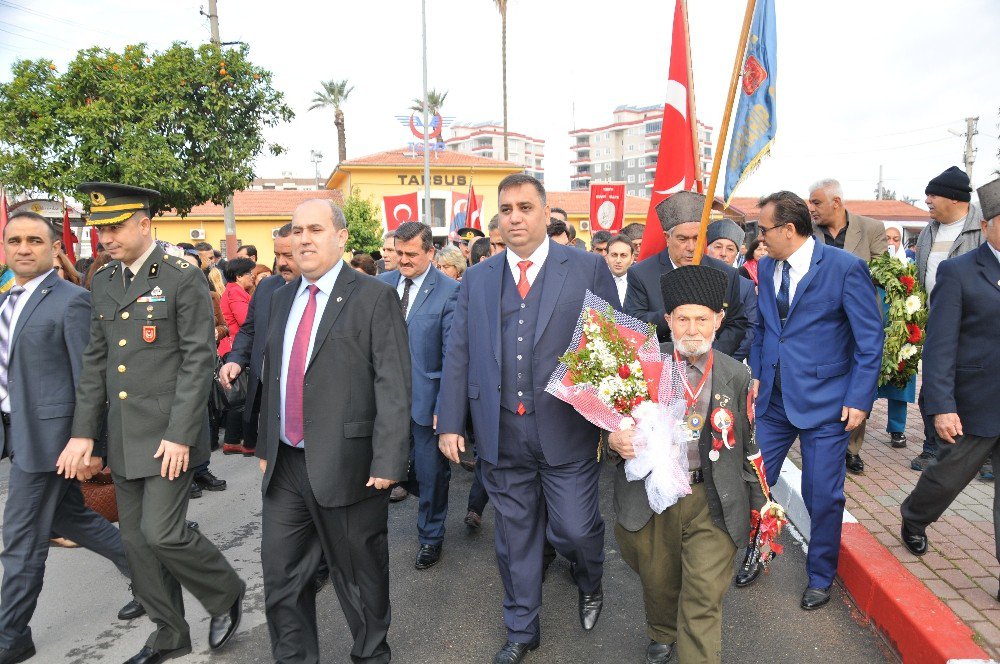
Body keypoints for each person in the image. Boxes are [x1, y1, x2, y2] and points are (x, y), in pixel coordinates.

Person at [59, 183, 246, 664]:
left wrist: (181, 435)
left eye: (116, 227)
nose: (105, 238)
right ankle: (169, 634)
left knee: (163, 533)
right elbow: (96, 363)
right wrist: (85, 433)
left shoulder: (183, 276)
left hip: (169, 434)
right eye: (100, 229)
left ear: (144, 224)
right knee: (137, 542)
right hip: (124, 433)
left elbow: (196, 360)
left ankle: (225, 593)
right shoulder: (103, 280)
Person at [438, 174, 618, 664]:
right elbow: (460, 352)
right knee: (514, 536)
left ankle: (590, 578)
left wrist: (619, 418)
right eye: (506, 208)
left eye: (524, 207)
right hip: (501, 433)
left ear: (545, 213)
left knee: (575, 530)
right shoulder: (478, 277)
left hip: (567, 429)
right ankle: (522, 628)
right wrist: (450, 421)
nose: (514, 217)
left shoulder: (586, 268)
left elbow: (615, 346)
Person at [253, 199, 410, 664]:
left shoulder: (373, 296)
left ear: (340, 237)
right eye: (297, 230)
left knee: (358, 577)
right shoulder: (281, 297)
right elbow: (275, 374)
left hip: (351, 463)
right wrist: (265, 443)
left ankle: (370, 654)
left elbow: (394, 383)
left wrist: (388, 460)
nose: (303, 239)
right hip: (286, 463)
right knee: (281, 577)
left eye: (315, 229)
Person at [0, 211, 142, 664]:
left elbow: (92, 379)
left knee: (20, 540)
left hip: (54, 443)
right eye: (14, 240)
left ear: (53, 247)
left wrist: (93, 445)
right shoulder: (7, 300)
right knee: (70, 518)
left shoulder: (70, 301)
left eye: (34, 241)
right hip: (18, 432)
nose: (23, 248)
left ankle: (11, 635)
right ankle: (149, 574)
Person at [609, 265, 766, 664]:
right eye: (682, 318)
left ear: (718, 320)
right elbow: (606, 423)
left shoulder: (736, 375)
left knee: (702, 598)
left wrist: (758, 509)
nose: (692, 328)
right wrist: (613, 439)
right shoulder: (641, 366)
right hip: (653, 497)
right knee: (659, 580)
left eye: (701, 318)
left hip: (712, 499)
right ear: (668, 321)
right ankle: (662, 630)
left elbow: (749, 449)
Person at [749, 191, 883, 609]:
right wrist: (755, 375)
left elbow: (869, 339)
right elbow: (764, 330)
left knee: (822, 494)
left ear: (789, 229)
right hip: (773, 400)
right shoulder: (767, 266)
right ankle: (757, 553)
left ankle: (821, 575)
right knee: (753, 484)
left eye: (764, 228)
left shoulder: (845, 268)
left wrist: (860, 399)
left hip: (828, 404)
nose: (759, 236)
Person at [899, 177, 1000, 578]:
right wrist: (941, 405)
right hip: (974, 401)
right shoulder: (960, 271)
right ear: (988, 224)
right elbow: (940, 345)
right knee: (946, 478)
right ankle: (914, 516)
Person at [378, 221, 458, 570]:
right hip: (383, 403)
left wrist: (447, 407)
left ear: (430, 252)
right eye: (398, 253)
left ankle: (430, 537)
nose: (403, 260)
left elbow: (453, 355)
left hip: (428, 403)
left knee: (430, 474)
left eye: (411, 254)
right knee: (380, 472)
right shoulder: (380, 286)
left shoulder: (449, 291)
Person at [807, 178, 888, 476]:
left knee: (858, 379)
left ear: (836, 203)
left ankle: (852, 449)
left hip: (858, 317)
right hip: (821, 321)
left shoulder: (870, 228)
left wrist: (848, 275)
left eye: (816, 202)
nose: (811, 208)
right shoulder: (809, 232)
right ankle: (823, 440)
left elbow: (883, 270)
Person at [911, 166, 984, 472]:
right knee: (933, 385)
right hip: (935, 321)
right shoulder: (930, 230)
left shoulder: (981, 228)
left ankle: (982, 455)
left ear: (955, 199)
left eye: (933, 195)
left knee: (974, 386)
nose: (927, 200)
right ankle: (932, 448)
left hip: (974, 323)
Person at [624, 191, 752, 361]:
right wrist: (675, 312)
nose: (691, 247)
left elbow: (736, 323)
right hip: (662, 366)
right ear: (667, 238)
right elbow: (633, 325)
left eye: (697, 238)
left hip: (712, 366)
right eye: (683, 239)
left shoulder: (726, 274)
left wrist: (709, 355)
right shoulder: (641, 274)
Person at [877, 222, 916, 449]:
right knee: (870, 380)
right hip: (876, 331)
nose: (891, 243)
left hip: (900, 333)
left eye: (895, 239)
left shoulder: (908, 267)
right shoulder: (873, 267)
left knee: (899, 380)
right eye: (887, 239)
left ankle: (897, 428)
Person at [217, 257, 256, 456]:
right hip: (235, 349)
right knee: (241, 397)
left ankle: (233, 440)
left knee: (239, 397)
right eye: (250, 273)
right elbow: (246, 321)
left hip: (232, 347)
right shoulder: (235, 293)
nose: (253, 277)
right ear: (239, 276)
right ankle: (235, 441)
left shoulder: (236, 291)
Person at [606, 234, 635, 307]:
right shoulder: (596, 280)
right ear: (607, 257)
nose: (618, 260)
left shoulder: (640, 282)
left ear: (632, 258)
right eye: (614, 255)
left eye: (623, 255)